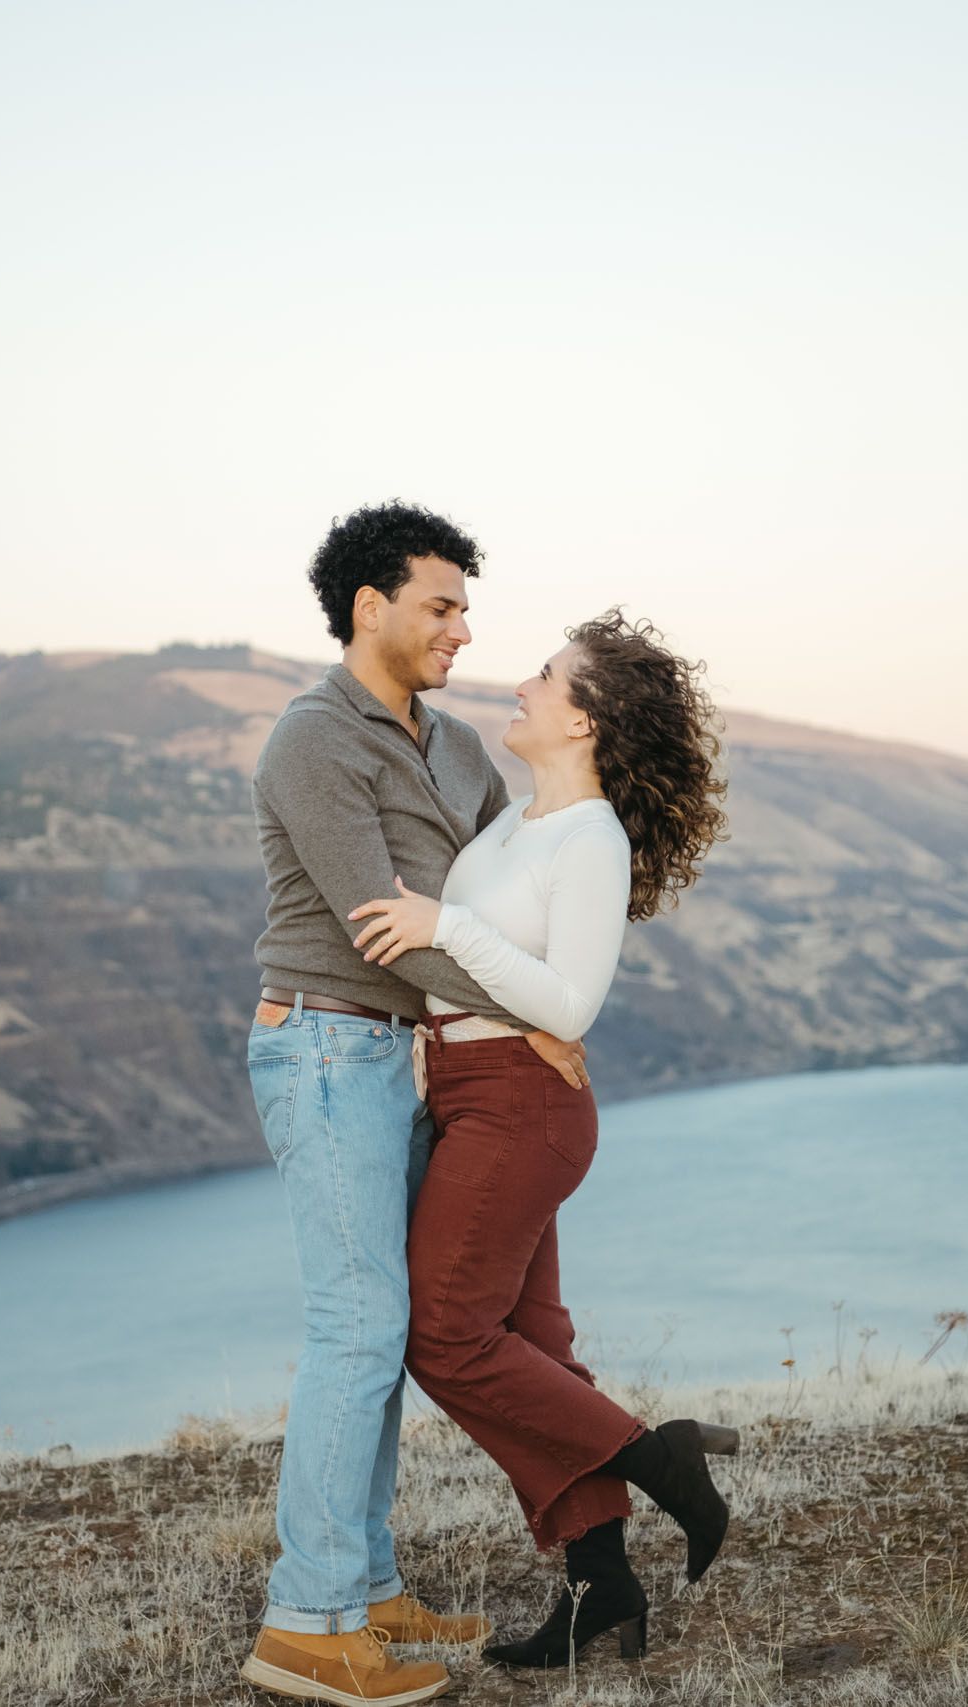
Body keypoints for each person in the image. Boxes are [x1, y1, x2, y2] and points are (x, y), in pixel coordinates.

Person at [238, 502, 590, 1707]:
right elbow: (380, 925)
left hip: (424, 1059)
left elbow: (505, 905)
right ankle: (306, 1624)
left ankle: (367, 1582)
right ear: (368, 608)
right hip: (331, 1048)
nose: (461, 626)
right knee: (357, 1322)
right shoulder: (310, 741)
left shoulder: (453, 751)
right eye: (440, 605)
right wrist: (539, 1021)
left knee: (381, 1328)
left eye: (464, 605)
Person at [346, 609, 734, 1670]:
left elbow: (570, 1006)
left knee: (446, 1336)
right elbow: (494, 984)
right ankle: (600, 1586)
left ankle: (663, 1463)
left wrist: (445, 926)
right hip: (478, 1094)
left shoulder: (592, 837)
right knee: (536, 1347)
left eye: (546, 676)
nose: (521, 683)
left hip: (522, 1108)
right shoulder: (517, 822)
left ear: (589, 720)